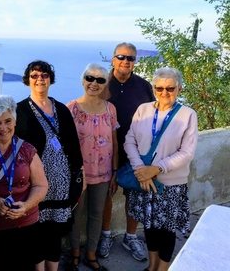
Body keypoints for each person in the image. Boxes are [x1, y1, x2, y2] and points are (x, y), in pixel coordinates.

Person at [125, 67, 198, 271]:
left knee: (166, 231)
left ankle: (162, 269)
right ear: (154, 88)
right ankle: (152, 267)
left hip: (170, 184)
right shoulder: (143, 110)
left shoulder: (187, 115)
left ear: (179, 89)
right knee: (150, 227)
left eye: (170, 88)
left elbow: (187, 153)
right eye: (159, 88)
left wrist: (155, 169)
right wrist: (141, 170)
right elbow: (130, 140)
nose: (164, 92)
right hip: (144, 180)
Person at [14, 60, 84, 271]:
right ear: (28, 80)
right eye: (34, 75)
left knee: (55, 232)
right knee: (37, 231)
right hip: (36, 185)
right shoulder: (20, 110)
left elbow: (73, 143)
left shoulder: (62, 109)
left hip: (62, 185)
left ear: (50, 79)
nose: (40, 79)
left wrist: (81, 174)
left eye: (44, 75)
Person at [97, 43, 155, 261]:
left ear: (134, 62)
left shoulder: (143, 86)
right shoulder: (101, 83)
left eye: (130, 58)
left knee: (135, 194)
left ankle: (130, 237)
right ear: (113, 59)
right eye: (121, 57)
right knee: (105, 195)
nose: (125, 61)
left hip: (136, 152)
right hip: (104, 151)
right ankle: (105, 235)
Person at [0, 95, 48, 271]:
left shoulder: (27, 151)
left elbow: (41, 185)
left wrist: (26, 205)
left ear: (15, 120)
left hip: (25, 224)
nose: (3, 128)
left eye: (8, 121)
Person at [66, 63, 119, 271]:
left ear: (105, 84)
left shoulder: (110, 109)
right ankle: (74, 254)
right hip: (79, 174)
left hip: (104, 173)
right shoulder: (71, 108)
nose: (94, 83)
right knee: (76, 215)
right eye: (90, 78)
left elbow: (114, 142)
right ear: (83, 80)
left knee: (97, 214)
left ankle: (91, 254)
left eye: (100, 80)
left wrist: (114, 172)